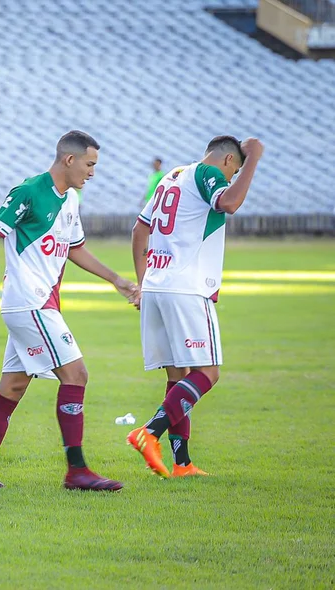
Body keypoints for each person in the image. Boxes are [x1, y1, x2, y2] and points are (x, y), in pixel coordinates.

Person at [0, 130, 137, 493]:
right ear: (69, 160)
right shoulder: (28, 192)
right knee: (76, 375)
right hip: (31, 302)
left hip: (37, 304)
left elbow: (76, 249)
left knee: (11, 386)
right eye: (89, 164)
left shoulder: (70, 199)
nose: (92, 172)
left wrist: (117, 280)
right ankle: (76, 471)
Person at [127, 136, 262, 478]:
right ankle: (148, 432)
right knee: (208, 372)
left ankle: (181, 463)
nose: (231, 179)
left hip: (157, 285)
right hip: (185, 288)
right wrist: (255, 160)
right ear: (229, 161)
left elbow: (138, 230)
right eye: (235, 172)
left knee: (178, 377)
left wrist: (143, 281)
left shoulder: (173, 176)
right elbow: (229, 203)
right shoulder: (208, 173)